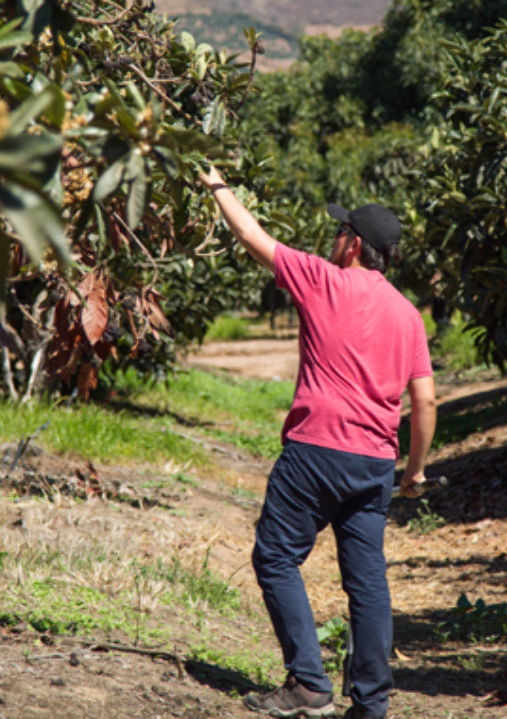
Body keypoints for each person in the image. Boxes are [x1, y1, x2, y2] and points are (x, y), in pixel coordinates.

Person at [197, 166, 437, 719]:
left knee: (276, 556)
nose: (331, 241)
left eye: (339, 232)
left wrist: (216, 185)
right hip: (374, 461)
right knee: (367, 582)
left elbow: (253, 236)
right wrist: (415, 470)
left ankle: (308, 681)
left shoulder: (321, 279)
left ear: (353, 244)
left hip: (315, 452)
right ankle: (371, 704)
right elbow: (424, 402)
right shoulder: (408, 315)